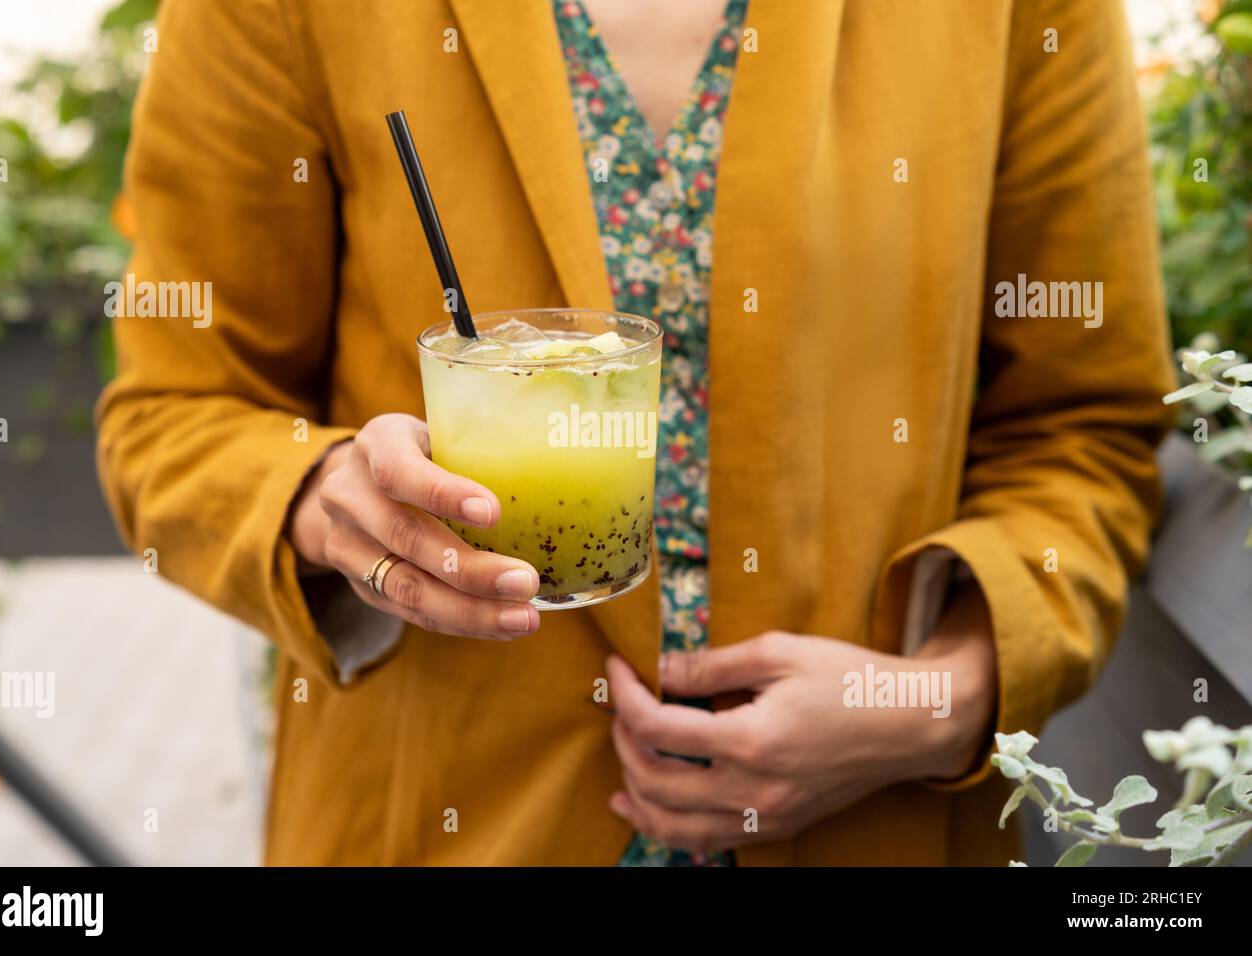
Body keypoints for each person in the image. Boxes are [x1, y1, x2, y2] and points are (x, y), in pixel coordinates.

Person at [97, 0, 1174, 865]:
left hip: (863, 825)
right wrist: (323, 496)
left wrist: (942, 695)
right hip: (441, 818)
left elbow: (1084, 424)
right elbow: (172, 413)